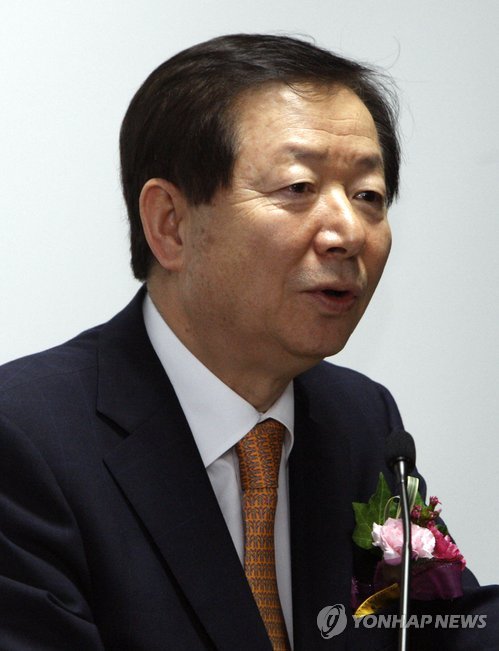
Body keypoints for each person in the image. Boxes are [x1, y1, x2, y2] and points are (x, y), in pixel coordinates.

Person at [0, 34, 497, 651]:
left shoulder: (361, 419)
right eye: (298, 188)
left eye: (368, 196)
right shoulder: (25, 439)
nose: (347, 231)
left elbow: (441, 625)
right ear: (170, 225)